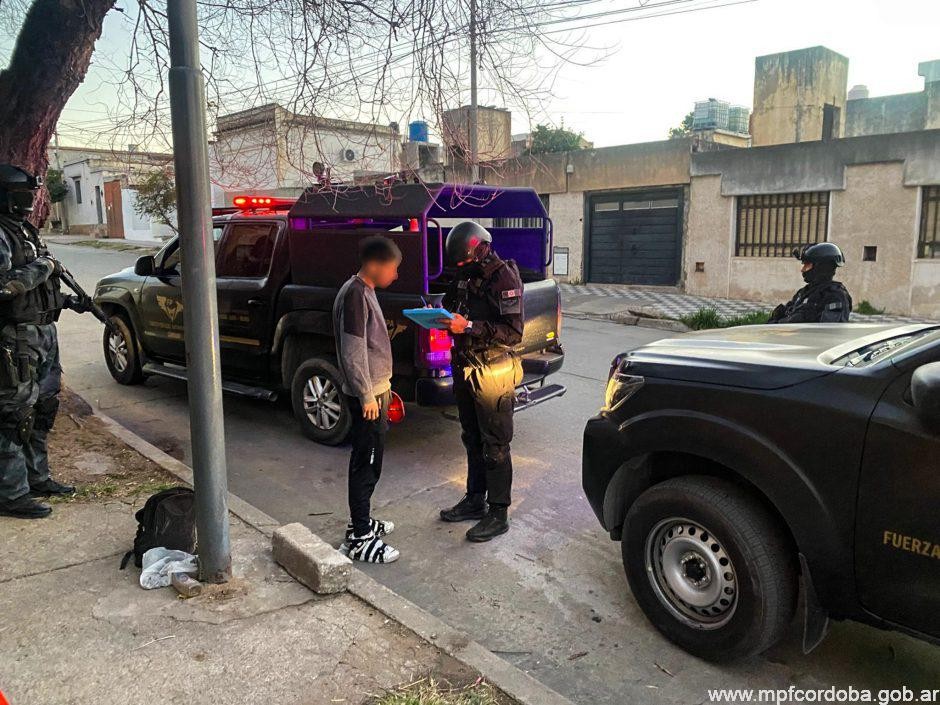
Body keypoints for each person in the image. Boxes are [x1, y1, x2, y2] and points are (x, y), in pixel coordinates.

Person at [438, 221, 524, 543]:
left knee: (495, 444)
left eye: (465, 261)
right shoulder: (466, 273)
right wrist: (441, 316)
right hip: (464, 366)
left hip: (493, 371)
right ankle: (475, 499)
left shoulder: (504, 277)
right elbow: (450, 303)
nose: (462, 268)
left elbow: (513, 333)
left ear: (480, 248)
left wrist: (469, 326)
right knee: (471, 437)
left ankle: (498, 512)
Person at [0, 164, 76, 519]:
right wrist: (45, 267)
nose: (28, 201)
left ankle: (38, 477)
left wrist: (65, 300)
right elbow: (6, 287)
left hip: (43, 331)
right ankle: (12, 493)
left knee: (44, 408)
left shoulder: (24, 230)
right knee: (15, 414)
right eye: (21, 195)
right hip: (16, 338)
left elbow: (38, 288)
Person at [333, 235, 402, 563]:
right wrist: (365, 394)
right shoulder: (357, 294)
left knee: (369, 460)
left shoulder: (361, 291)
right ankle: (361, 537)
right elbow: (353, 349)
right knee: (367, 463)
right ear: (375, 264)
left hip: (375, 389)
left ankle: (361, 523)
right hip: (368, 395)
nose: (396, 275)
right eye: (393, 268)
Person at [767, 243, 853, 323]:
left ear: (821, 267)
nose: (803, 269)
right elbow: (785, 314)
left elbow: (828, 331)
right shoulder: (804, 292)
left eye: (807, 265)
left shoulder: (835, 296)